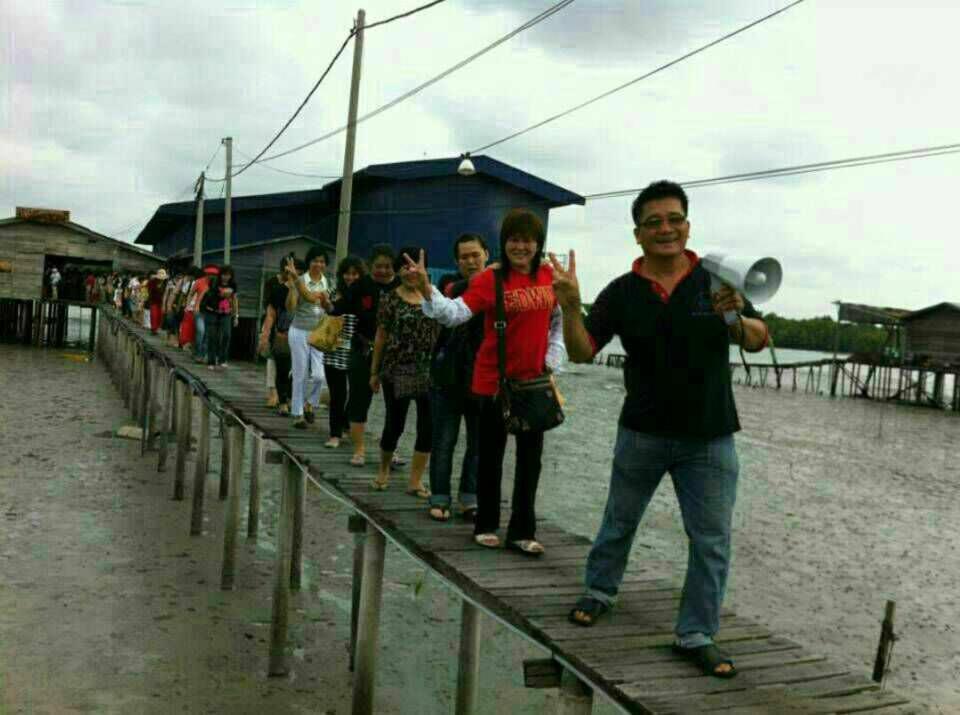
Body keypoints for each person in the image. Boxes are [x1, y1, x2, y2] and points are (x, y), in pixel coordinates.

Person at [550, 180, 770, 679]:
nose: (665, 229)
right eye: (654, 222)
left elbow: (758, 339)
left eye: (674, 219)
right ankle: (599, 591)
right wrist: (569, 303)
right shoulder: (622, 291)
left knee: (711, 540)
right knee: (618, 522)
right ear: (637, 234)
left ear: (687, 226)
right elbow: (584, 351)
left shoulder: (716, 280)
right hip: (642, 432)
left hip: (710, 437)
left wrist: (735, 319)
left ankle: (696, 634)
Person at [409, 209, 566, 555]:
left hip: (534, 384)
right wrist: (425, 288)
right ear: (503, 243)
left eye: (527, 239)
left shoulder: (549, 277)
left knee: (531, 459)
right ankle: (486, 524)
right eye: (513, 239)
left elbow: (560, 322)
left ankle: (523, 530)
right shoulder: (490, 280)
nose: (520, 246)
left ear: (538, 243)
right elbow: (453, 314)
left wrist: (552, 359)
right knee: (489, 455)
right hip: (493, 382)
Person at [425, 233, 489, 522]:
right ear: (456, 261)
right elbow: (451, 294)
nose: (471, 260)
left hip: (483, 378)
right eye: (464, 256)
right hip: (447, 377)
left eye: (475, 254)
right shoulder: (448, 285)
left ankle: (469, 498)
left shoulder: (498, 285)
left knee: (478, 444)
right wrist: (494, 277)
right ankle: (439, 497)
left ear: (486, 254)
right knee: (444, 441)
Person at [369, 246, 439, 498]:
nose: (411, 272)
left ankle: (416, 480)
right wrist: (374, 372)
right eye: (405, 267)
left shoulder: (434, 298)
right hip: (396, 370)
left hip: (428, 370)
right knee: (394, 425)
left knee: (427, 427)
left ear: (424, 270)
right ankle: (384, 470)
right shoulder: (390, 298)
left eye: (416, 266)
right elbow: (381, 336)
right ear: (399, 271)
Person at [338, 244, 401, 467]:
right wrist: (327, 304)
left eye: (387, 266)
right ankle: (359, 449)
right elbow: (338, 308)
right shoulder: (361, 285)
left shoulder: (402, 286)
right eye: (378, 266)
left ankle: (389, 449)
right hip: (363, 349)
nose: (383, 271)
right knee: (358, 400)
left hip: (394, 354)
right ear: (370, 266)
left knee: (395, 406)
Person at [285, 246, 331, 429]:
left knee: (320, 376)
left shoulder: (327, 282)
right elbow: (291, 307)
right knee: (300, 373)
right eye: (315, 261)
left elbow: (328, 306)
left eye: (322, 261)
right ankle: (297, 413)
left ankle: (310, 403)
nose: (318, 264)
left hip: (319, 332)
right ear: (309, 262)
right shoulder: (301, 280)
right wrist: (292, 285)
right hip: (299, 331)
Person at [324, 255, 364, 449]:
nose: (350, 277)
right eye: (347, 274)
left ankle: (346, 423)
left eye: (355, 274)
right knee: (337, 394)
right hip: (334, 347)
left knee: (357, 393)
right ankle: (334, 434)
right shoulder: (334, 291)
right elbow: (326, 312)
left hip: (357, 348)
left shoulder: (366, 295)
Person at [258, 257, 299, 415]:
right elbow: (270, 312)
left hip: (299, 335)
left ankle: (288, 397)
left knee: (296, 370)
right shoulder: (275, 287)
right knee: (278, 366)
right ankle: (278, 397)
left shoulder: (305, 290)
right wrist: (265, 334)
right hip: (280, 333)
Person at [199, 267, 227, 370]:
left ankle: (215, 359)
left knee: (217, 338)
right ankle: (210, 360)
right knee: (211, 338)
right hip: (210, 317)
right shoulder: (209, 293)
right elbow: (203, 306)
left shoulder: (222, 295)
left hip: (220, 318)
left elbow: (226, 306)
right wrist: (212, 310)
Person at [218, 265, 239, 367]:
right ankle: (213, 356)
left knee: (226, 335)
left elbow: (235, 300)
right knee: (216, 335)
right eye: (224, 274)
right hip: (215, 311)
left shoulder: (233, 285)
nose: (225, 277)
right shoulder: (216, 283)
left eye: (228, 275)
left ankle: (223, 358)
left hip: (227, 312)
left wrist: (236, 315)